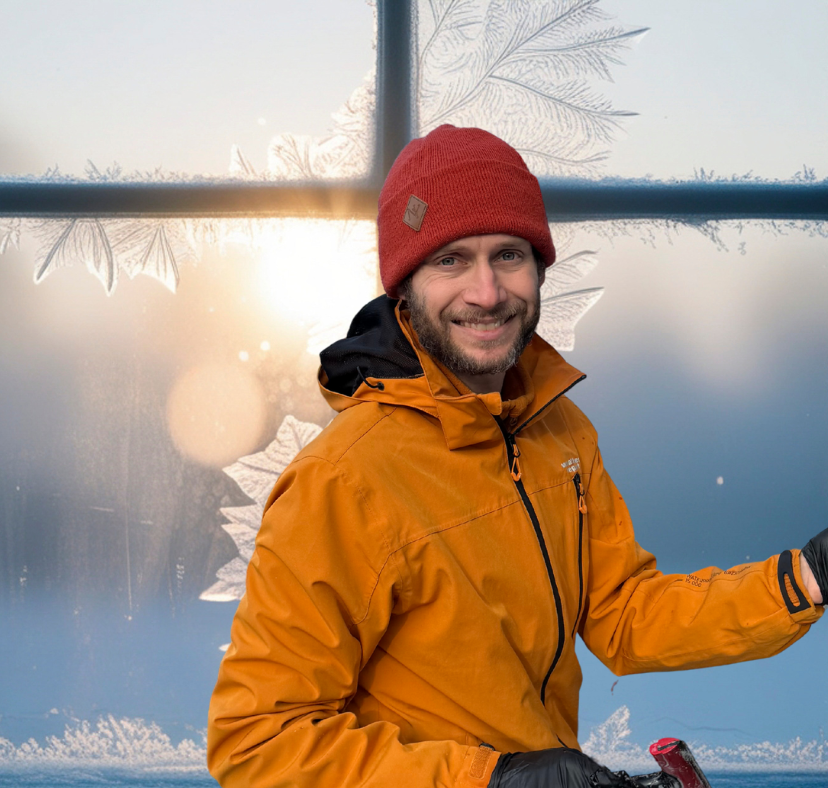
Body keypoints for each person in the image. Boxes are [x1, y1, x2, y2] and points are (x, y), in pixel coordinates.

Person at [206, 125, 828, 788]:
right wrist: (491, 780)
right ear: (404, 287)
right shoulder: (342, 479)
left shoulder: (558, 430)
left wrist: (806, 578)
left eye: (507, 255)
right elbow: (256, 743)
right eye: (450, 260)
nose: (486, 292)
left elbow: (622, 615)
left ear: (538, 269)